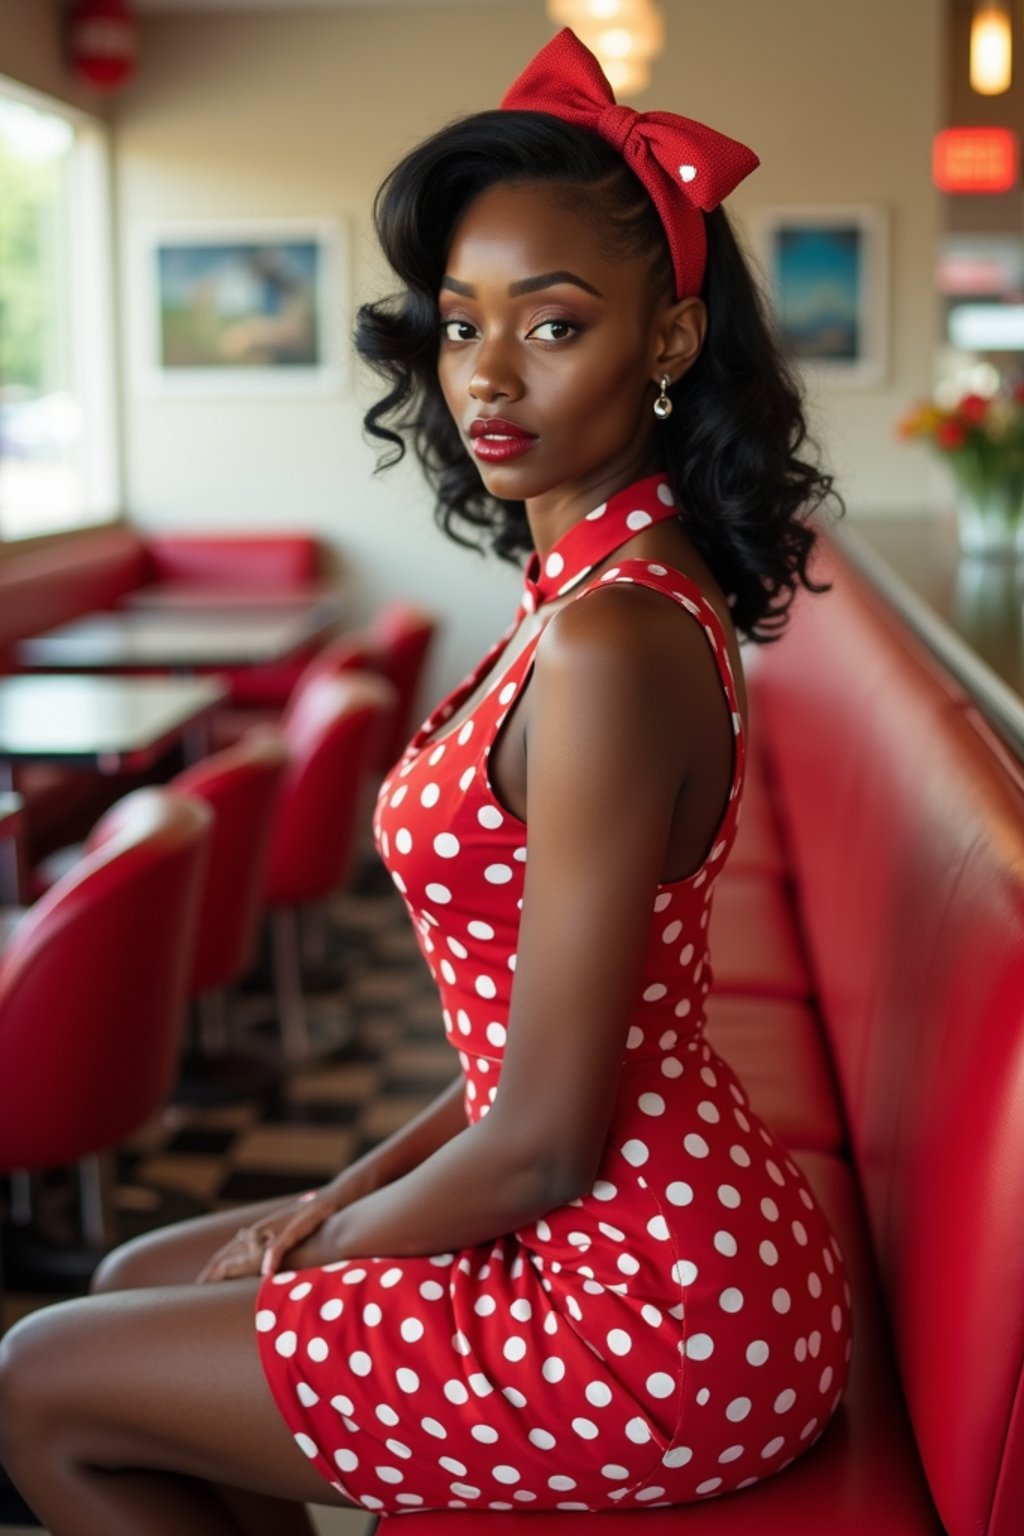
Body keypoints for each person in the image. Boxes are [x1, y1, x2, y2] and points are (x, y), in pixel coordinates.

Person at [0, 27, 852, 1531]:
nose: (489, 377)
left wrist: (322, 1254)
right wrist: (328, 1204)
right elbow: (508, 1083)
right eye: (461, 326)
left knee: (37, 1378)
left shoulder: (609, 643)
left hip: (647, 1317)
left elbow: (542, 1139)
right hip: (660, 1232)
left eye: (554, 323)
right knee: (138, 1279)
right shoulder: (585, 597)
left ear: (666, 342)